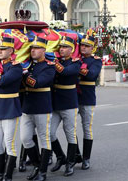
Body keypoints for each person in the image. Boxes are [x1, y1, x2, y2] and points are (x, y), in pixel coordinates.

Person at [20, 37, 55, 181]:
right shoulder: (29, 65)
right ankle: (36, 164)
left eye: (36, 48)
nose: (32, 51)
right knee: (25, 138)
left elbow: (36, 83)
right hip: (27, 107)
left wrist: (25, 73)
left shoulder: (49, 66)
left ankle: (42, 172)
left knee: (44, 139)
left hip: (42, 107)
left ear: (44, 50)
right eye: (31, 48)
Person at [0, 36, 23, 181]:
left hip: (9, 107)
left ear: (11, 50)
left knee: (10, 144)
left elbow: (2, 81)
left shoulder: (16, 67)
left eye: (3, 49)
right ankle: (0, 172)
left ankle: (7, 175)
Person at [50, 36, 81, 177]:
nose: (61, 49)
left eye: (64, 47)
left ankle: (70, 162)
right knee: (49, 133)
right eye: (60, 47)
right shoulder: (57, 62)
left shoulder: (75, 63)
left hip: (69, 103)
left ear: (71, 49)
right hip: (56, 103)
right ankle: (60, 156)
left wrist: (52, 62)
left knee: (69, 133)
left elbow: (64, 72)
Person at [77, 34, 102, 170]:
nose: (83, 48)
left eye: (87, 46)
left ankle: (86, 158)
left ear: (92, 48)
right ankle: (75, 154)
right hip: (74, 97)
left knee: (87, 128)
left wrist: (76, 69)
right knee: (69, 128)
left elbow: (92, 74)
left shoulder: (95, 61)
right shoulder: (76, 58)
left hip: (87, 97)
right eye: (82, 45)